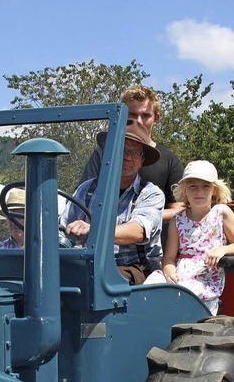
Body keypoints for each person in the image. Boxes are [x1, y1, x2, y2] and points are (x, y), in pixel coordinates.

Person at [60, 119, 165, 285]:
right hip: (86, 265)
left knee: (92, 282)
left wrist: (95, 231)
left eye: (135, 152)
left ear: (142, 160)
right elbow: (62, 226)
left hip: (132, 269)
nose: (127, 157)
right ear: (110, 152)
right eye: (122, 149)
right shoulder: (86, 189)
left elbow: (137, 230)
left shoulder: (151, 194)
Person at [143, 161, 234, 315]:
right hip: (179, 274)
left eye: (206, 186)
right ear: (185, 191)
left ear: (215, 190)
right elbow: (169, 258)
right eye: (193, 187)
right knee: (150, 286)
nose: (200, 192)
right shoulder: (177, 220)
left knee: (183, 293)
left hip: (205, 277)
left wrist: (222, 250)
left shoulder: (222, 213)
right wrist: (169, 272)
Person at [81, 85, 184, 223]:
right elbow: (82, 200)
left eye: (145, 115)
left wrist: (142, 215)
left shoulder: (170, 161)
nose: (138, 121)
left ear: (156, 118)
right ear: (122, 116)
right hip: (100, 241)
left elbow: (179, 210)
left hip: (148, 242)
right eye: (132, 114)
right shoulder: (103, 153)